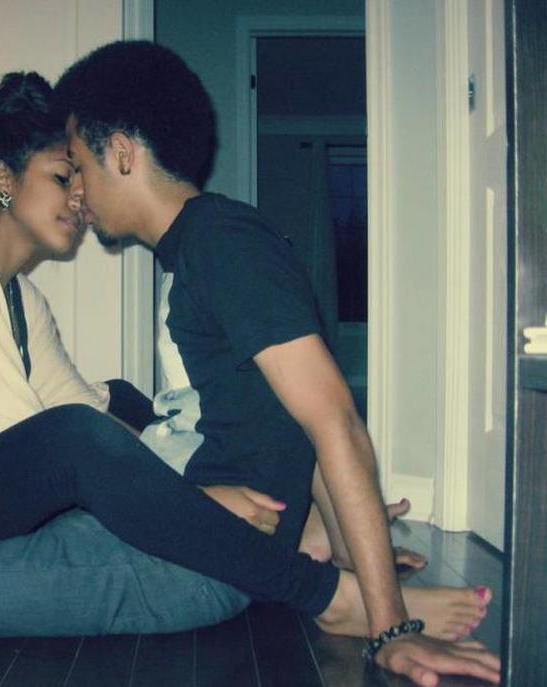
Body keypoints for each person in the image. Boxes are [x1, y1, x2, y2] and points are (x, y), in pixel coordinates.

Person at [50, 41, 501, 686]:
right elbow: (283, 417)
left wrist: (389, 626)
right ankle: (328, 562)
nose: (74, 191)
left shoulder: (222, 242)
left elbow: (332, 420)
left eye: (76, 166)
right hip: (185, 524)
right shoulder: (192, 248)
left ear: (121, 152)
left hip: (190, 556)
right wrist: (350, 551)